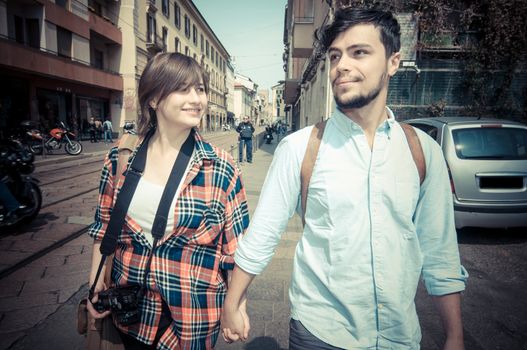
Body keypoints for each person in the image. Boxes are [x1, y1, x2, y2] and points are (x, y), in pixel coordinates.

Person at [221, 8, 468, 350]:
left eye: (359, 53)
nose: (341, 66)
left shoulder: (421, 150)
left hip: (400, 336)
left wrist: (455, 336)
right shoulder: (299, 148)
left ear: (393, 62)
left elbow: (440, 250)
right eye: (336, 55)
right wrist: (232, 302)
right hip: (319, 333)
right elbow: (262, 234)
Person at [86, 52, 250, 349]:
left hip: (193, 319)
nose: (196, 98)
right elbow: (103, 228)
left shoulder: (221, 168)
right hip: (131, 314)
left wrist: (236, 306)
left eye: (199, 88)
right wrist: (95, 283)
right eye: (182, 89)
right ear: (153, 99)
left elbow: (236, 251)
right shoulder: (120, 160)